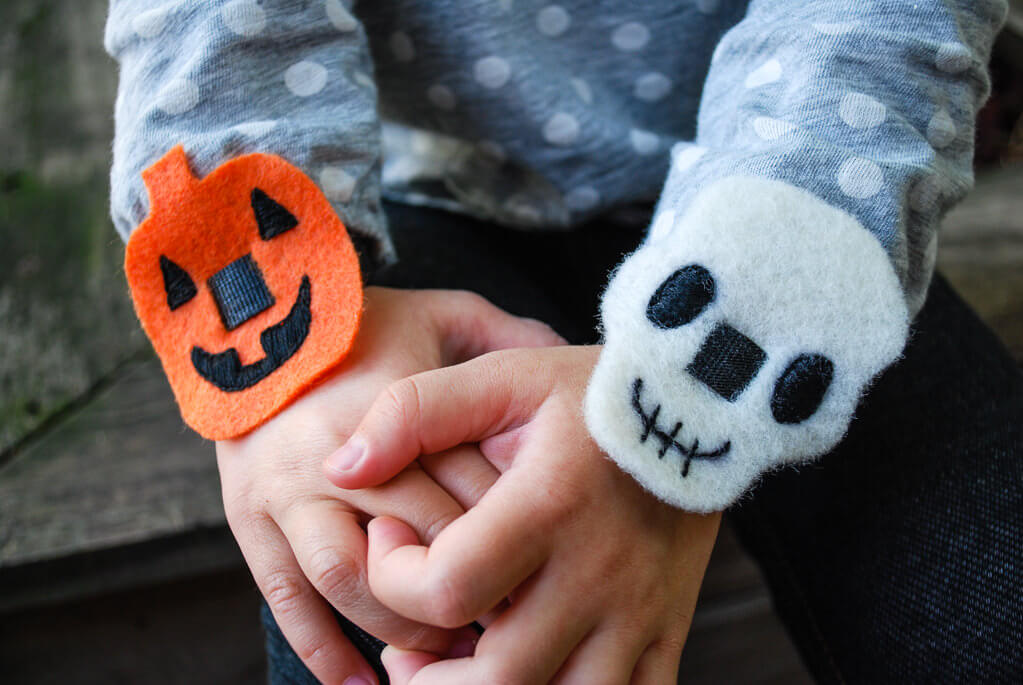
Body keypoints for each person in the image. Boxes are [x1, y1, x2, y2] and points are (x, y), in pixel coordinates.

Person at [104, 1, 1022, 683]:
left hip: (796, 195)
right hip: (432, 191)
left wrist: (662, 435)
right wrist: (299, 375)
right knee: (390, 582)